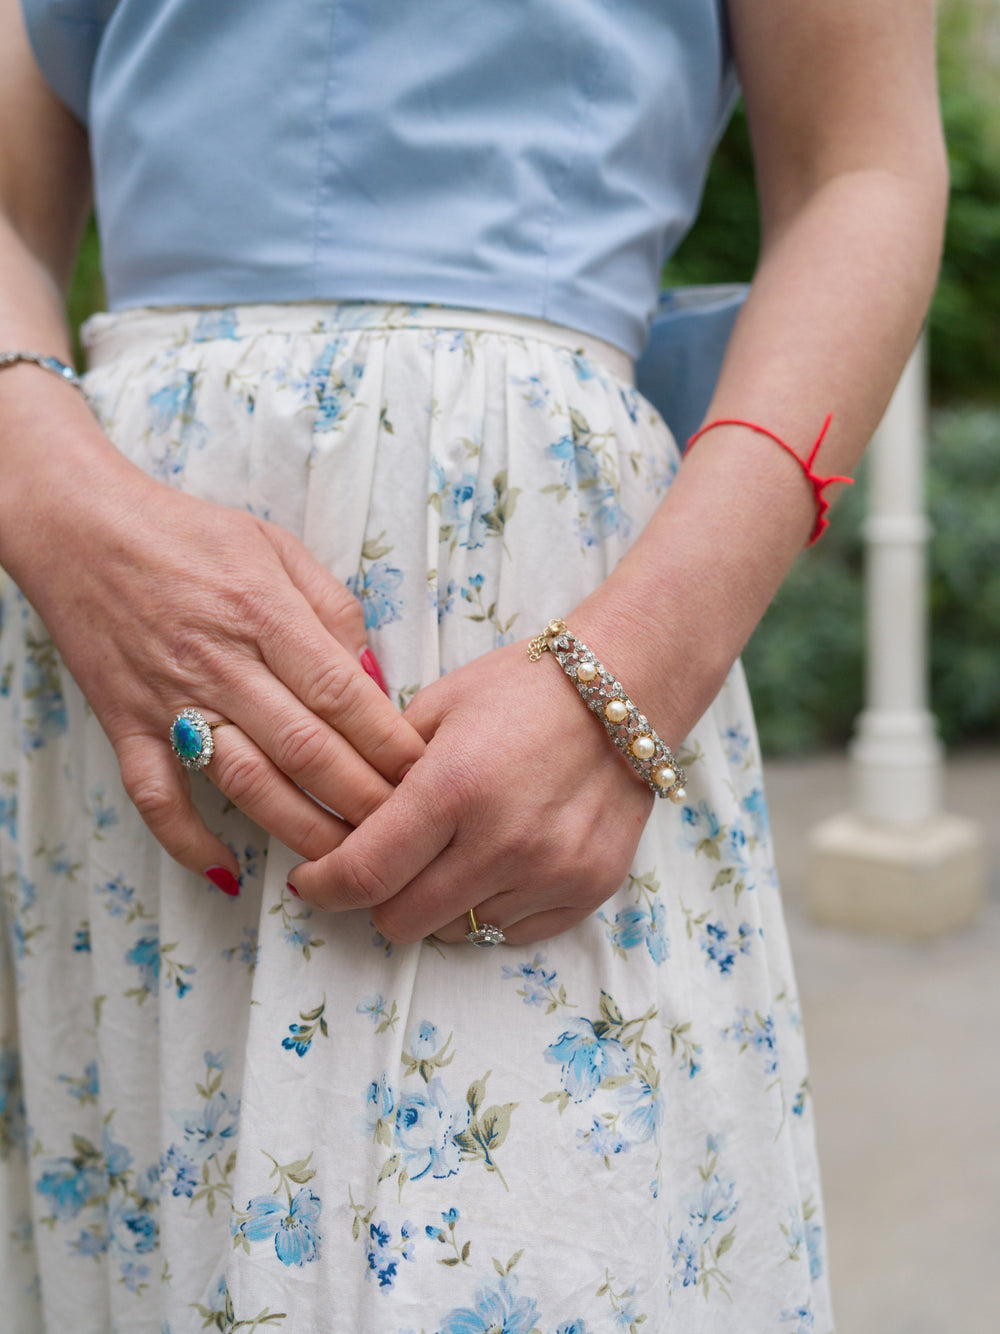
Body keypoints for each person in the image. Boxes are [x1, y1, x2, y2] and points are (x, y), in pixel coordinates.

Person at [0, 1, 946, 1330]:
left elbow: (865, 167)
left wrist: (631, 677)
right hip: (116, 658)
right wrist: (52, 497)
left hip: (549, 651)